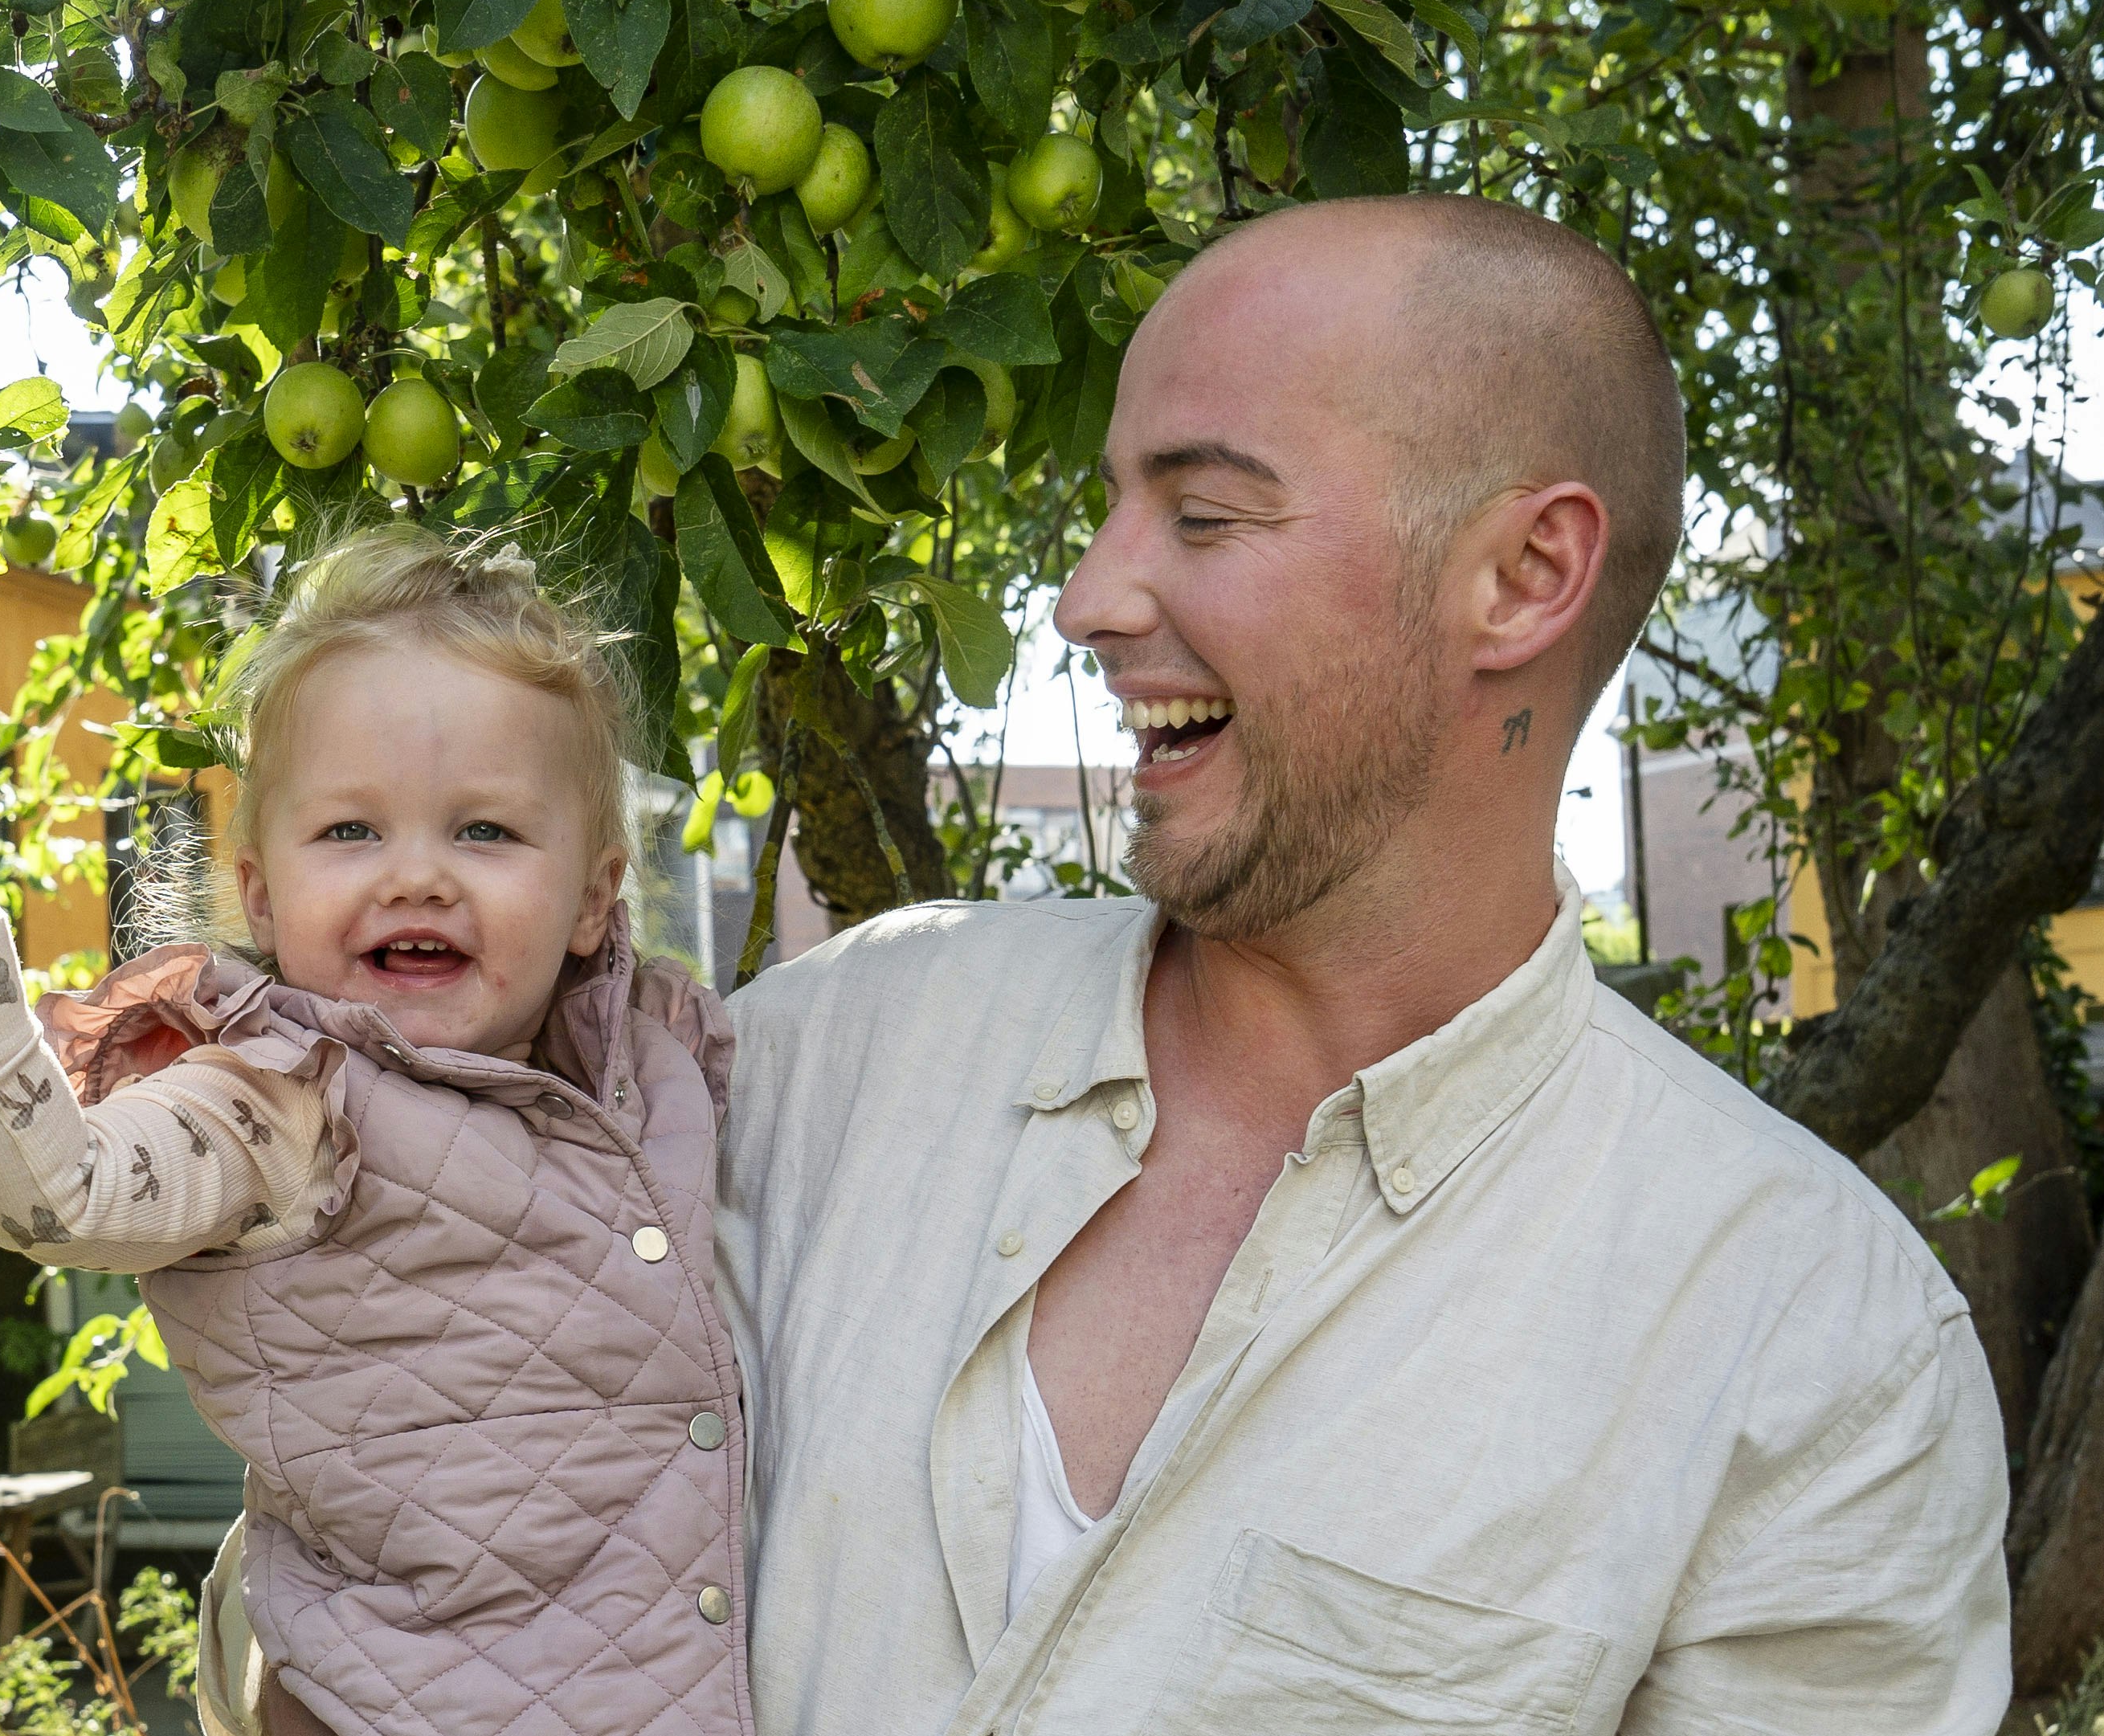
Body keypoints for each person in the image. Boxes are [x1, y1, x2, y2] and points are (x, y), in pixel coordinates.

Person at [719, 195, 2012, 1734]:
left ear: (1526, 577)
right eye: (1115, 506)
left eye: (1202, 514)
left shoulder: (1808, 1348)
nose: (1085, 601)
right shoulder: (819, 1060)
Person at [0, 529, 754, 1736]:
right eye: (351, 831)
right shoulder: (283, 1098)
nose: (417, 877)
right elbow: (57, 1192)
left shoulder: (649, 1068)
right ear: (259, 893)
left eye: (486, 832)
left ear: (595, 896)